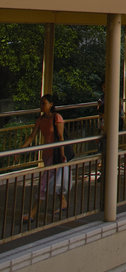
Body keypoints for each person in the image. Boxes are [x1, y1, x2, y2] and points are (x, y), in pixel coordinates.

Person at [21, 93, 71, 221]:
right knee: (53, 179)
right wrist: (21, 149)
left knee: (44, 183)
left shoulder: (57, 117)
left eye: (44, 103)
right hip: (47, 155)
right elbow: (32, 136)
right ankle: (63, 202)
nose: (42, 106)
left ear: (51, 104)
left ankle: (32, 213)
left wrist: (62, 154)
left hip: (56, 154)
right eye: (41, 103)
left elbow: (61, 137)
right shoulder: (41, 120)